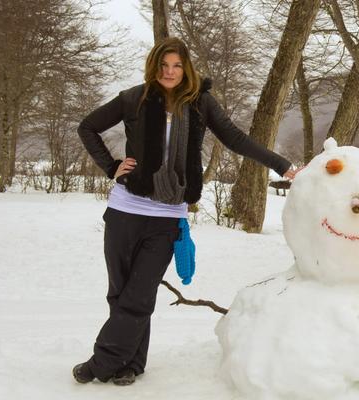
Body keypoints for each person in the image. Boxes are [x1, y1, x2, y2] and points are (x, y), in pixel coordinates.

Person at [73, 37, 299, 386]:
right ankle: (131, 363)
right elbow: (87, 127)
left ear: (186, 68)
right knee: (121, 292)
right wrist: (111, 166)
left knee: (140, 292)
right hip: (125, 209)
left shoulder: (200, 103)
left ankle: (101, 362)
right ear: (154, 67)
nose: (170, 72)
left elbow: (236, 139)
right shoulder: (134, 98)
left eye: (177, 66)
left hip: (167, 216)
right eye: (164, 66)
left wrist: (282, 165)